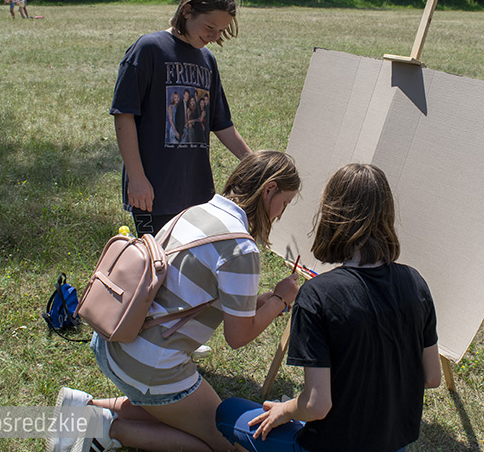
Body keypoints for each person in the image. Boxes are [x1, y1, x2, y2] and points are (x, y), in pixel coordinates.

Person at [48, 150, 302, 452]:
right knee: (226, 443)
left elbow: (196, 293)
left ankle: (88, 407)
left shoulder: (196, 211)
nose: (280, 214)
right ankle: (106, 430)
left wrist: (265, 301)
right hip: (148, 363)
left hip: (113, 340)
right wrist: (280, 301)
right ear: (269, 189)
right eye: (284, 203)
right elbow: (238, 337)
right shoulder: (241, 248)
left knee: (180, 415)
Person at [216, 163, 443, 452]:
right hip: (393, 445)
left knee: (227, 411)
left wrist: (284, 410)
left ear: (333, 215)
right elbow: (432, 377)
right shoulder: (416, 283)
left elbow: (316, 405)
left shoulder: (318, 295)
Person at [111, 0, 251, 238]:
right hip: (153, 192)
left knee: (187, 269)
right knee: (156, 266)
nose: (214, 36)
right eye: (210, 26)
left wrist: (255, 163)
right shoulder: (149, 49)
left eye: (221, 30)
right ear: (187, 11)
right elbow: (124, 115)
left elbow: (222, 125)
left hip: (196, 192)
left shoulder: (207, 60)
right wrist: (137, 178)